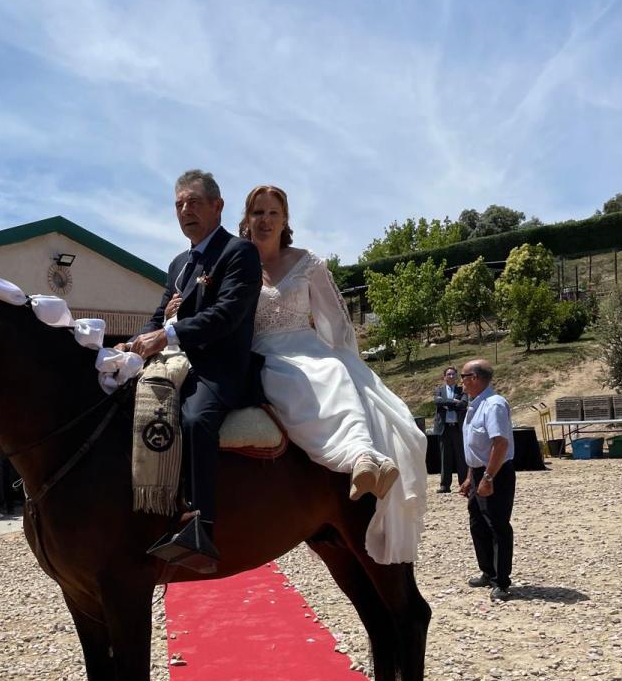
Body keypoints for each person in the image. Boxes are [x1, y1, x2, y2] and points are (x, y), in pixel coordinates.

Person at [241, 184, 426, 564]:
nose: (265, 220)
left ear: (285, 220)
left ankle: (364, 458)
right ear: (247, 219)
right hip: (263, 353)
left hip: (306, 345)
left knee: (331, 373)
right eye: (258, 212)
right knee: (293, 380)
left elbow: (335, 321)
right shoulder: (237, 264)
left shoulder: (307, 262)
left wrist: (349, 362)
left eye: (273, 213)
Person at [125, 169, 263, 571]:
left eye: (194, 202)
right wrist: (131, 342)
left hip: (217, 368)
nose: (185, 210)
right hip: (173, 364)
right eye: (179, 204)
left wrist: (167, 335)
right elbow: (159, 315)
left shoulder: (239, 252)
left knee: (194, 420)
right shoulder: (178, 263)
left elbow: (226, 315)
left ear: (217, 206)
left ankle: (201, 528)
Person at [458, 359, 515, 601]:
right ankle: (488, 571)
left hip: (495, 472)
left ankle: (501, 582)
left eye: (463, 376)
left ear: (475, 378)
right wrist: (470, 477)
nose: (461, 381)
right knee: (478, 523)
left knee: (497, 525)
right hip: (479, 472)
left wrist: (488, 477)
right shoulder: (475, 405)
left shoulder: (494, 405)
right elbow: (475, 447)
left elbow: (500, 444)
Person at [433, 365, 469, 492]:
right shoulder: (439, 390)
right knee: (445, 457)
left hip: (457, 428)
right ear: (444, 377)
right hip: (444, 428)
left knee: (461, 457)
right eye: (449, 374)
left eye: (453, 374)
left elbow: (463, 404)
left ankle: (464, 484)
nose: (451, 376)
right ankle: (445, 485)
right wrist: (454, 402)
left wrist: (446, 403)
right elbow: (437, 402)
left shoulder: (462, 390)